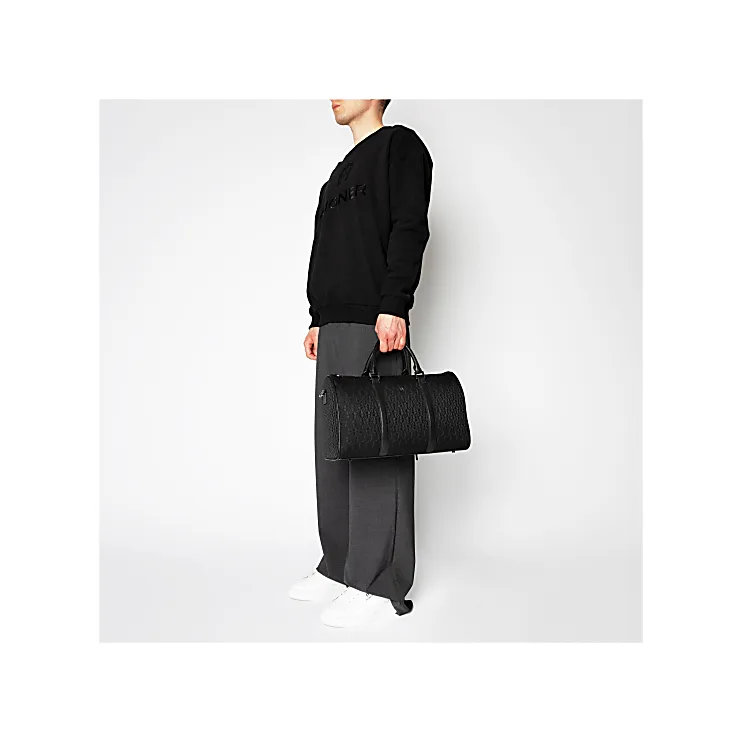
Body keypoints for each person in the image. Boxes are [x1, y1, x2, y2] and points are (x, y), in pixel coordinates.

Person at [291, 99, 433, 628]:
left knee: (376, 445)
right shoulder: (336, 176)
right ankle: (339, 564)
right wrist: (317, 317)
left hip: (375, 321)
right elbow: (327, 250)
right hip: (333, 326)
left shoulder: (400, 146)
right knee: (333, 447)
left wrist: (394, 304)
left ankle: (377, 581)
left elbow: (409, 227)